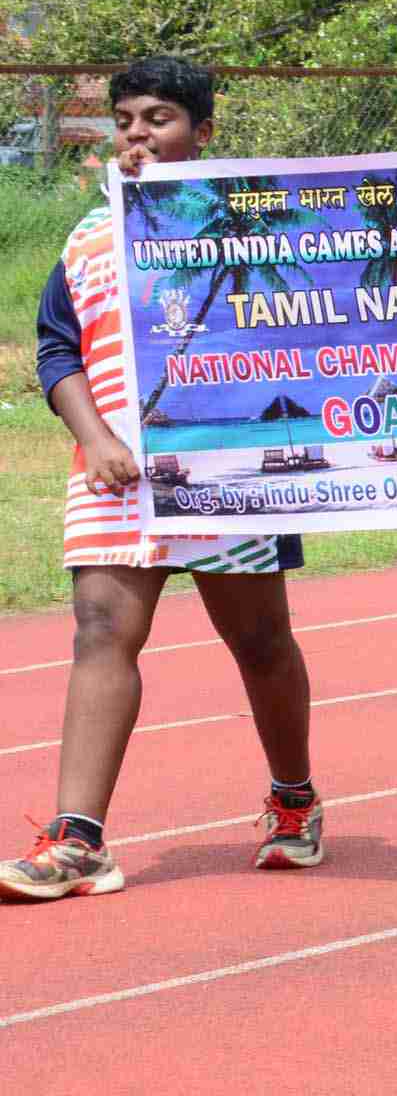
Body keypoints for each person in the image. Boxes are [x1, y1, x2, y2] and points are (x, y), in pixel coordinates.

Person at [7, 58, 322, 903]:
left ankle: (293, 801)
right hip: (115, 476)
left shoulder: (254, 231)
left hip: (232, 474)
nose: (138, 136)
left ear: (204, 133)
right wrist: (95, 434)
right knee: (100, 633)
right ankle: (78, 841)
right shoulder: (86, 236)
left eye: (160, 119)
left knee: (259, 643)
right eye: (127, 121)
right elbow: (56, 350)